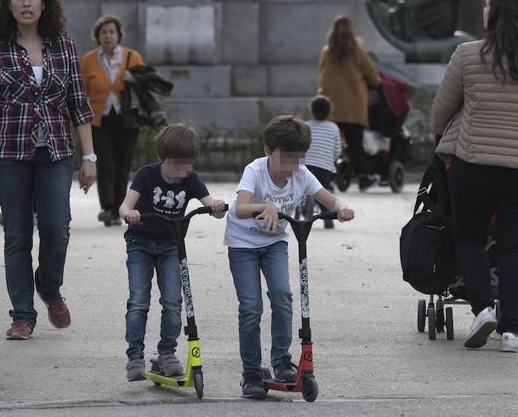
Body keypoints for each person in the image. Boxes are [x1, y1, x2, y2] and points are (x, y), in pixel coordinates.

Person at [0, 0, 97, 340]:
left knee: (56, 229)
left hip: (54, 151)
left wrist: (89, 157)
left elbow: (79, 104)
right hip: (7, 152)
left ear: (44, 3)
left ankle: (48, 287)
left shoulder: (63, 45)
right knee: (17, 234)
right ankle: (22, 315)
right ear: (9, 5)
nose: (26, 3)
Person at [430, 0, 518, 353]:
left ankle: (483, 308)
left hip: (475, 167)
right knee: (514, 248)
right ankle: (513, 332)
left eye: (486, 6)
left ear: (492, 15)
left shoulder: (467, 55)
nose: (483, 10)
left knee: (469, 238)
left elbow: (440, 113)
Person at [223, 115, 355, 399]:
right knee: (250, 307)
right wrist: (265, 207)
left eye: (298, 159)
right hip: (243, 244)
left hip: (274, 243)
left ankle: (282, 360)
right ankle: (251, 374)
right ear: (268, 151)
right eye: (285, 159)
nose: (291, 167)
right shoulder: (255, 171)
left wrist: (341, 206)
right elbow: (241, 208)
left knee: (282, 295)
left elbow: (329, 199)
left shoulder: (301, 174)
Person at [117, 124, 227, 381]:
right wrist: (129, 214)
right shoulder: (146, 175)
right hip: (140, 243)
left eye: (187, 164)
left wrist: (217, 207)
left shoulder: (192, 179)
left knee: (173, 302)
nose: (182, 171)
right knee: (138, 302)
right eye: (177, 165)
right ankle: (135, 356)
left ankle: (167, 352)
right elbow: (125, 205)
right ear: (161, 158)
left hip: (170, 246)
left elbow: (210, 204)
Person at [81, 15, 145, 227]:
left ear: (118, 35)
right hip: (98, 119)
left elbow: (145, 83)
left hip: (126, 119)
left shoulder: (132, 56)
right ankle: (107, 207)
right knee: (106, 163)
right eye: (104, 32)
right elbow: (81, 90)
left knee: (122, 165)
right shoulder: (88, 60)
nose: (108, 36)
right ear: (97, 36)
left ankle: (120, 208)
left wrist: (133, 79)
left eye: (111, 32)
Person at [316, 15, 382, 191]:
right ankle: (364, 176)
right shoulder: (357, 52)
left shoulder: (326, 52)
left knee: (329, 145)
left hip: (330, 108)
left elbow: (321, 74)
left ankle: (326, 180)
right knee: (355, 145)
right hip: (353, 108)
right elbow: (374, 79)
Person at [304, 95, 343, 229]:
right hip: (325, 167)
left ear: (311, 111)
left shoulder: (305, 126)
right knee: (322, 190)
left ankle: (303, 205)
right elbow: (337, 150)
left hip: (305, 165)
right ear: (330, 111)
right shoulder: (334, 128)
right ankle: (326, 213)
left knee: (302, 187)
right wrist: (331, 159)